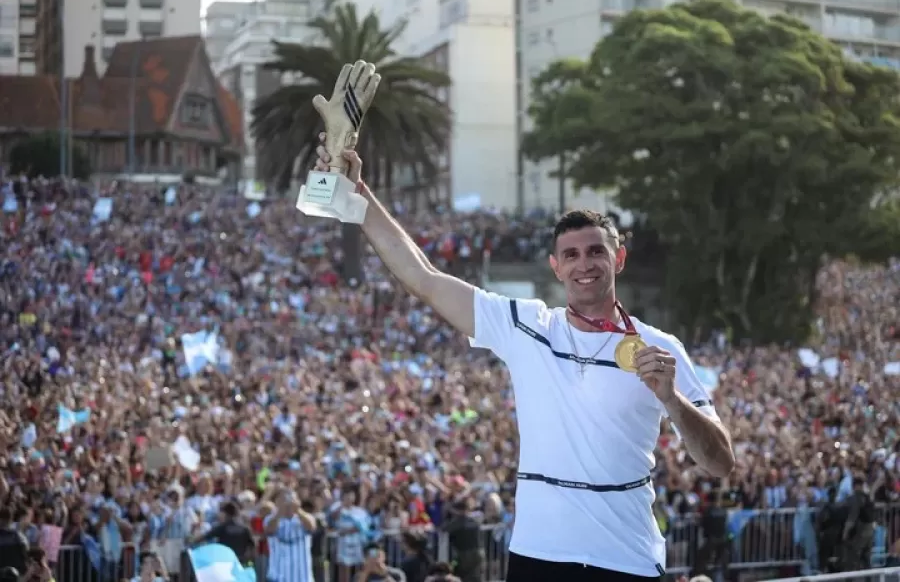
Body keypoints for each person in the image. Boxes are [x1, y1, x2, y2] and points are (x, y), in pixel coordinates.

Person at [312, 133, 735, 582]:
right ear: (555, 267)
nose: (584, 264)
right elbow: (424, 278)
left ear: (620, 259)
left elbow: (720, 463)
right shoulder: (526, 325)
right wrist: (360, 194)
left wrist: (672, 400)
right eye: (570, 255)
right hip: (538, 555)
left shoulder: (662, 349)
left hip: (625, 558)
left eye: (596, 251)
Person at [264, 489, 317, 582]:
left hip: (302, 577)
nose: (288, 503)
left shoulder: (306, 517)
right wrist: (280, 511)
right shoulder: (270, 519)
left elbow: (311, 527)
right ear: (277, 502)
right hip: (277, 577)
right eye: (284, 499)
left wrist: (298, 510)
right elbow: (269, 530)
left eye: (291, 498)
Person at [0, 508, 29, 574]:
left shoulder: (18, 535)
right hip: (16, 574)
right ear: (11, 520)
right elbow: (26, 554)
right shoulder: (18, 536)